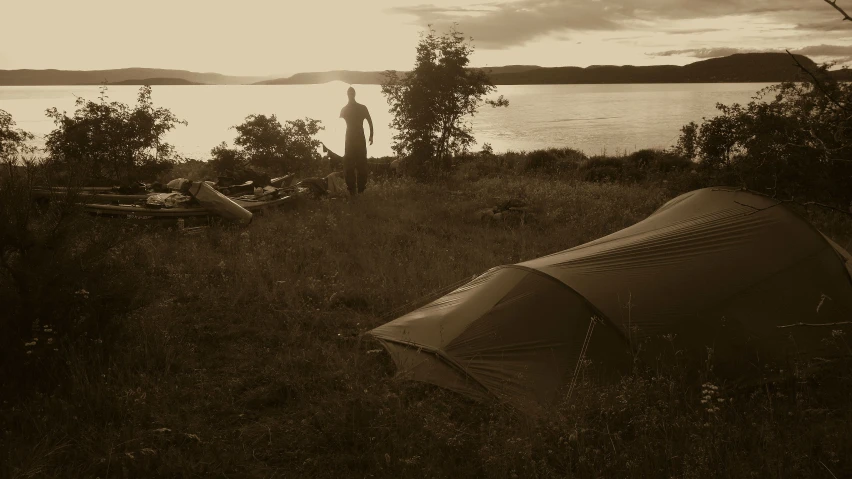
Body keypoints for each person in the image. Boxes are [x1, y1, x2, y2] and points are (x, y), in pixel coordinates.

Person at [339, 86, 373, 195]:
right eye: (350, 93)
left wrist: (371, 136)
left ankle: (360, 190)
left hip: (357, 138)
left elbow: (370, 122)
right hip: (350, 139)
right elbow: (337, 125)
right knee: (350, 166)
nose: (350, 95)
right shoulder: (345, 109)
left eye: (351, 93)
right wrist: (371, 135)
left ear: (353, 94)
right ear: (349, 95)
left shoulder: (361, 108)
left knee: (361, 165)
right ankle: (353, 191)